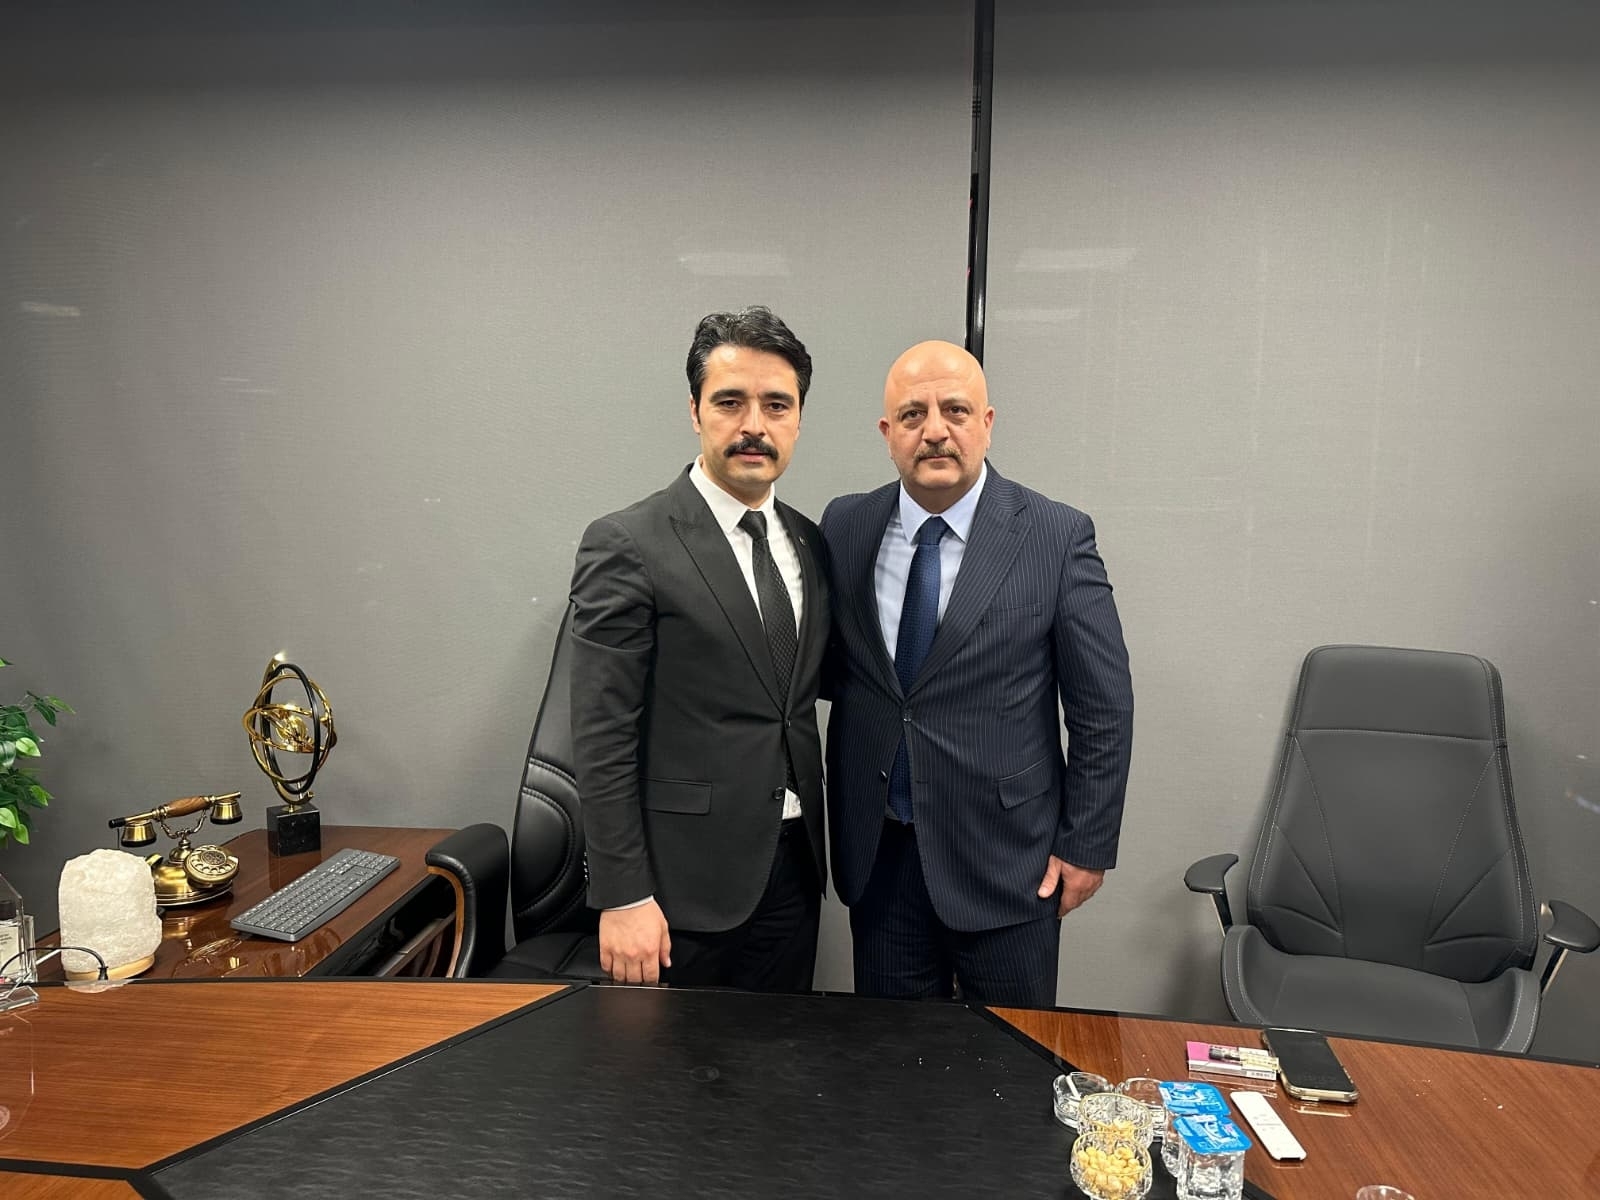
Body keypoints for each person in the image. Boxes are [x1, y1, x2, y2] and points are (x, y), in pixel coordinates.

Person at [820, 339, 1134, 1007]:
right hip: (882, 859)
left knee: (1010, 1057)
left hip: (1010, 863)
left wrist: (1087, 845)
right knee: (891, 1057)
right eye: (913, 415)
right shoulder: (846, 525)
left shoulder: (1055, 535)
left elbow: (1103, 706)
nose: (935, 430)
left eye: (955, 410)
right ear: (887, 433)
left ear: (987, 423)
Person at [569, 306, 829, 992]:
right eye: (730, 402)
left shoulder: (810, 542)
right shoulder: (629, 542)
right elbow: (601, 733)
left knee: (781, 1056)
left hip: (794, 871)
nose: (754, 425)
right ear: (695, 411)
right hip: (676, 891)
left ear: (799, 419)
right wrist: (623, 894)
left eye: (777, 405)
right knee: (672, 1065)